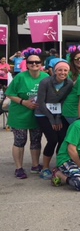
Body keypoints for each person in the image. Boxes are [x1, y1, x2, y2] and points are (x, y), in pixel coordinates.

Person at [6, 49, 49, 179]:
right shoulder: (20, 77)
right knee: (20, 140)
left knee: (36, 140)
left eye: (37, 62)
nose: (34, 64)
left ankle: (35, 165)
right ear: (27, 63)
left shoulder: (46, 77)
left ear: (41, 64)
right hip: (20, 113)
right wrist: (24, 102)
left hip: (37, 115)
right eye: (31, 62)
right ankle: (18, 168)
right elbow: (9, 93)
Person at [34, 59, 74, 179]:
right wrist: (52, 119)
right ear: (55, 71)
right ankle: (45, 167)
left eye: (65, 70)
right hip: (43, 113)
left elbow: (63, 101)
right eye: (60, 70)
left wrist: (57, 117)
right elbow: (40, 102)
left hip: (58, 113)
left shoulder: (69, 83)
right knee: (52, 139)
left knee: (62, 137)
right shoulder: (45, 82)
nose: (63, 72)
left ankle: (59, 164)